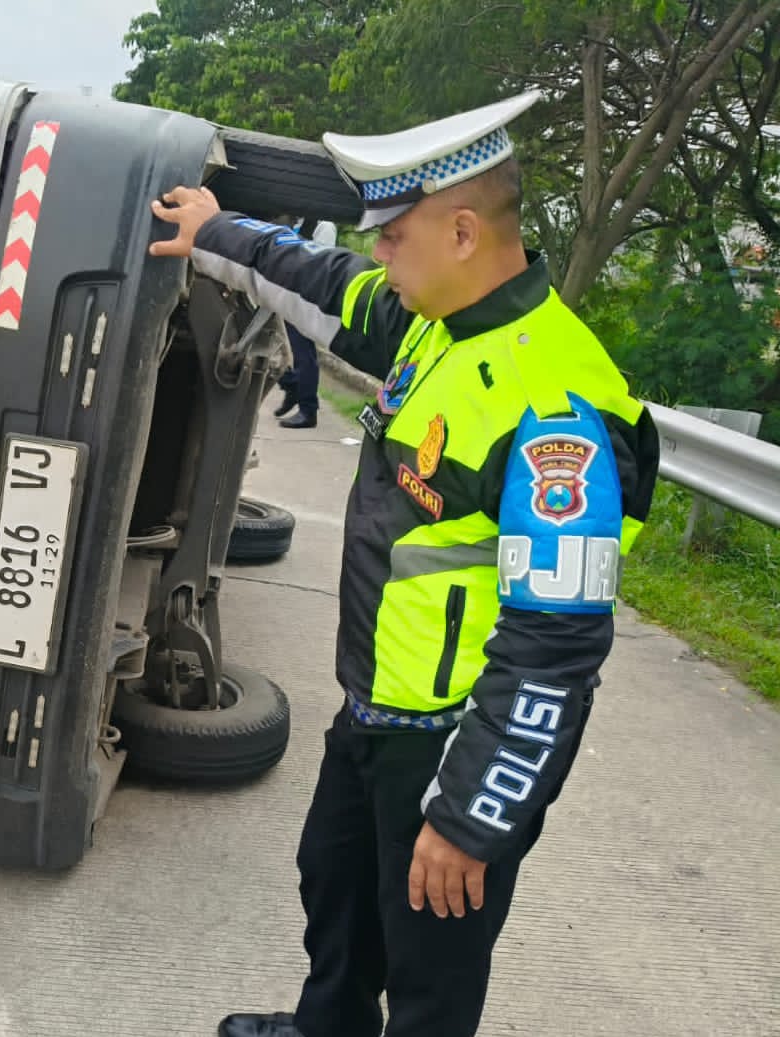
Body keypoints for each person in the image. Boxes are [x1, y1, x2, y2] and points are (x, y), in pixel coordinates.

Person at [148, 92, 661, 1037]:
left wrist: (471, 814)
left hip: (454, 740)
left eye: (395, 235)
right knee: (334, 886)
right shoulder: (436, 322)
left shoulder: (558, 415)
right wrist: (217, 230)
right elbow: (324, 280)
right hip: (375, 706)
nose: (380, 255)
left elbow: (555, 651)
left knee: (430, 970)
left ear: (462, 232)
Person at [272, 220, 338, 429]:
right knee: (272, 351)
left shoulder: (323, 225)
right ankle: (291, 385)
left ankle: (308, 410)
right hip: (284, 295)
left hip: (305, 300)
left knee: (303, 355)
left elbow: (321, 264)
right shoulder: (292, 220)